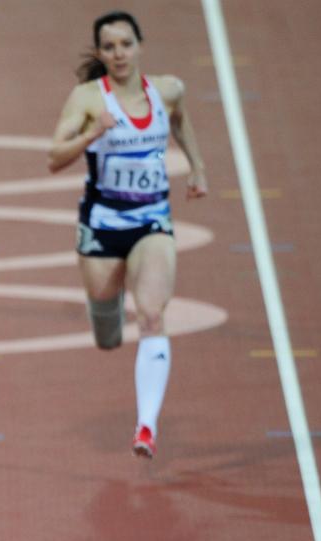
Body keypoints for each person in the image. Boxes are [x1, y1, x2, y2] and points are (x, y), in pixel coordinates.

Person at [48, 10, 208, 457]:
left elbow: (179, 121)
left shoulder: (168, 89)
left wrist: (197, 166)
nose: (119, 54)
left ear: (139, 45)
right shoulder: (86, 99)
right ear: (100, 53)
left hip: (152, 220)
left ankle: (145, 427)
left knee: (153, 315)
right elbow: (53, 157)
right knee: (109, 337)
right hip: (102, 224)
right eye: (109, 47)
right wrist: (93, 133)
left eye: (126, 44)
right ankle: (107, 303)